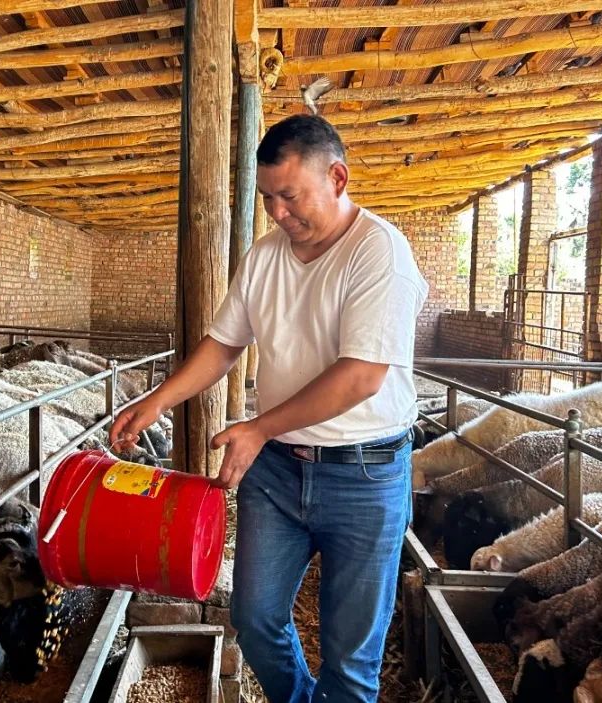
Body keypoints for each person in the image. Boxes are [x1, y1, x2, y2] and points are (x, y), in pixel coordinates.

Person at [110, 114, 428, 703]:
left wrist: (258, 427)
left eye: (290, 196)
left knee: (351, 655)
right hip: (280, 471)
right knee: (254, 618)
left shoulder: (379, 252)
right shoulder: (265, 256)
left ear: (337, 177)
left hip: (364, 473)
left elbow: (361, 375)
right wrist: (156, 400)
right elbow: (225, 343)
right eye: (268, 199)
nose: (278, 213)